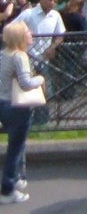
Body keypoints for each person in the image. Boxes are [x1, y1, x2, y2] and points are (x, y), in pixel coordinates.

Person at [1, 21, 43, 204]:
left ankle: (15, 179)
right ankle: (8, 190)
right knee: (15, 149)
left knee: (15, 146)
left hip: (3, 103)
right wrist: (40, 79)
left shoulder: (3, 54)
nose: (31, 34)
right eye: (27, 31)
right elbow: (26, 84)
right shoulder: (20, 56)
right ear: (20, 37)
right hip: (17, 107)